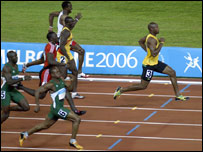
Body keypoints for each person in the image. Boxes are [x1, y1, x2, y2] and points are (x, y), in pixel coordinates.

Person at [114, 22, 189, 101]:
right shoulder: (151, 40)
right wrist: (161, 43)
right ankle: (121, 90)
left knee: (172, 72)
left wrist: (147, 50)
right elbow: (154, 54)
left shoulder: (149, 36)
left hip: (155, 63)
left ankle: (178, 95)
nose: (158, 29)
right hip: (149, 65)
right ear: (151, 29)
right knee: (143, 86)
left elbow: (140, 41)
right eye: (156, 27)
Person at [20, 32, 85, 115]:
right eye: (55, 36)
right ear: (51, 39)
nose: (57, 37)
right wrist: (63, 64)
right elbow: (50, 61)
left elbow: (42, 59)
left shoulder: (52, 45)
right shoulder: (50, 47)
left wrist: (28, 65)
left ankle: (75, 110)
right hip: (47, 72)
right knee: (41, 95)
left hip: (53, 71)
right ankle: (21, 87)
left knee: (64, 90)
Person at [19, 66, 83, 150]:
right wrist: (37, 105)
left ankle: (25, 134)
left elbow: (70, 89)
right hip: (57, 109)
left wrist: (73, 80)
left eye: (58, 71)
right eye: (56, 72)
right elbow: (37, 91)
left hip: (55, 109)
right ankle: (72, 141)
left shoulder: (61, 80)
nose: (59, 72)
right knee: (77, 119)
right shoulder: (50, 84)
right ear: (52, 74)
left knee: (45, 125)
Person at [49, 1, 88, 78]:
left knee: (81, 51)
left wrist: (50, 27)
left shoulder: (61, 13)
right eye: (70, 7)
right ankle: (73, 72)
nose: (71, 8)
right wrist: (76, 19)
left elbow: (51, 14)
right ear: (66, 8)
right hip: (63, 39)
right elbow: (69, 27)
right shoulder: (63, 17)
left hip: (67, 39)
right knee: (78, 53)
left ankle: (79, 72)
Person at [57, 16, 84, 99]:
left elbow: (66, 45)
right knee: (63, 75)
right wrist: (67, 57)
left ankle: (74, 93)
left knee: (75, 72)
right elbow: (61, 46)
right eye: (71, 22)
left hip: (67, 53)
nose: (73, 24)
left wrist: (76, 20)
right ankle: (56, 90)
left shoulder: (68, 29)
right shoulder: (66, 32)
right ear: (68, 23)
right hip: (62, 54)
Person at [1, 51, 32, 124]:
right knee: (6, 115)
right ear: (10, 58)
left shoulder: (16, 65)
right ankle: (6, 109)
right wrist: (23, 79)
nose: (17, 57)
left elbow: (14, 78)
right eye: (15, 56)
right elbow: (9, 82)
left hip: (13, 90)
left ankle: (7, 108)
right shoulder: (6, 67)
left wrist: (18, 83)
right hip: (5, 91)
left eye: (17, 56)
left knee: (26, 107)